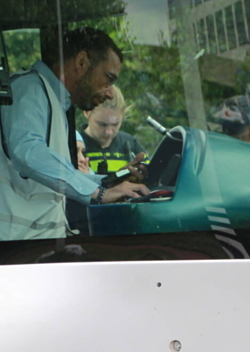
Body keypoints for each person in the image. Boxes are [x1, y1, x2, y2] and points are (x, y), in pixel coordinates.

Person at [0, 27, 149, 241]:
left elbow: (53, 174)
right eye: (108, 79)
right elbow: (28, 152)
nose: (109, 92)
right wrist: (98, 194)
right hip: (15, 253)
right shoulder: (30, 89)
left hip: (33, 248)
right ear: (81, 62)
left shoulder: (53, 101)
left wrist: (109, 182)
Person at [81, 85, 147, 174]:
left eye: (115, 124)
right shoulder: (75, 145)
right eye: (102, 124)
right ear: (87, 112)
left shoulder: (129, 143)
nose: (109, 132)